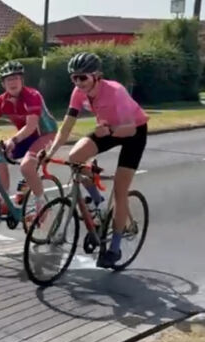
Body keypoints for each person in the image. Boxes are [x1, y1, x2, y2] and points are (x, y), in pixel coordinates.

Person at [41, 52, 149, 268]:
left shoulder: (116, 91)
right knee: (74, 157)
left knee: (120, 191)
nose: (78, 83)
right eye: (74, 78)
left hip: (132, 133)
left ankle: (115, 247)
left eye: (83, 78)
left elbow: (129, 129)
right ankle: (97, 201)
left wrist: (110, 130)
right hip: (105, 129)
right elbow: (66, 128)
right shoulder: (78, 93)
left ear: (97, 76)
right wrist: (50, 152)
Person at [0, 60, 58, 217]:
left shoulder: (32, 96)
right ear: (3, 84)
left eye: (16, 78)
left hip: (45, 134)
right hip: (26, 136)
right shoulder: (2, 101)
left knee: (27, 166)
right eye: (9, 79)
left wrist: (13, 140)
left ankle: (42, 205)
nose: (13, 82)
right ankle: (5, 201)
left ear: (22, 81)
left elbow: (31, 126)